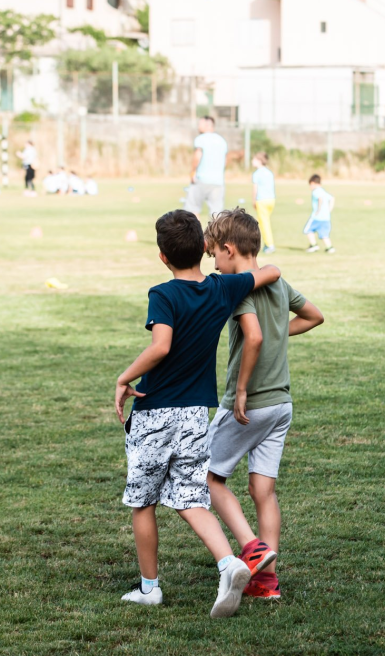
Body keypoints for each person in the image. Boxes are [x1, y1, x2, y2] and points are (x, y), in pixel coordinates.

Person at [113, 209, 282, 618]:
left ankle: (150, 587)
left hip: (154, 414)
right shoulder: (222, 288)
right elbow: (272, 271)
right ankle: (229, 563)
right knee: (192, 498)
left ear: (162, 256)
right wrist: (255, 274)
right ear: (205, 250)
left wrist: (123, 378)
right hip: (194, 417)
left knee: (143, 502)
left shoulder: (163, 294)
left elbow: (161, 347)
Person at [203, 209, 324, 601]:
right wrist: (280, 334)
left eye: (215, 256)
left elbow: (252, 337)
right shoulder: (279, 283)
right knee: (263, 490)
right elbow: (314, 316)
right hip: (281, 405)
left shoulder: (238, 287)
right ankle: (267, 583)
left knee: (206, 476)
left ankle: (252, 549)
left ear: (229, 249)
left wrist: (240, 391)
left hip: (250, 404)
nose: (214, 264)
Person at [186, 116, 227, 219]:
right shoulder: (222, 140)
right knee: (216, 214)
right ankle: (217, 235)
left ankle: (196, 234)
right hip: (218, 181)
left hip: (201, 179)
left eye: (200, 124)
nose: (198, 127)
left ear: (208, 125)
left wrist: (192, 172)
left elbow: (197, 156)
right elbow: (224, 161)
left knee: (192, 210)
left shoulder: (201, 139)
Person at [251, 152, 277, 254]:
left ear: (259, 161)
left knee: (264, 223)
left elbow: (255, 189)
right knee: (263, 222)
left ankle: (270, 245)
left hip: (262, 200)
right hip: (271, 200)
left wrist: (254, 200)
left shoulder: (257, 174)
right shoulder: (269, 172)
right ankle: (266, 244)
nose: (252, 161)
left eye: (254, 159)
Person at [304, 174, 335, 253]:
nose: (310, 187)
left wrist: (318, 210)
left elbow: (320, 199)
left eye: (310, 185)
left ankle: (314, 245)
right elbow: (332, 198)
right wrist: (329, 210)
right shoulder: (323, 191)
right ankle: (330, 248)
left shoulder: (316, 191)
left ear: (313, 183)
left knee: (307, 230)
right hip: (326, 217)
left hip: (316, 217)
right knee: (324, 235)